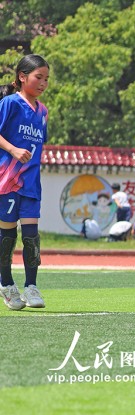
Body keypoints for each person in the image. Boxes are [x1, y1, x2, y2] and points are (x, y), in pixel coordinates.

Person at [0, 54, 50, 310]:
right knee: (7, 237)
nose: (43, 83)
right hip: (7, 181)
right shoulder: (9, 103)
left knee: (31, 236)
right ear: (22, 77)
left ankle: (31, 286)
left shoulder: (43, 111)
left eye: (46, 79)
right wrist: (12, 149)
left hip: (31, 183)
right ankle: (6, 284)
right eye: (38, 77)